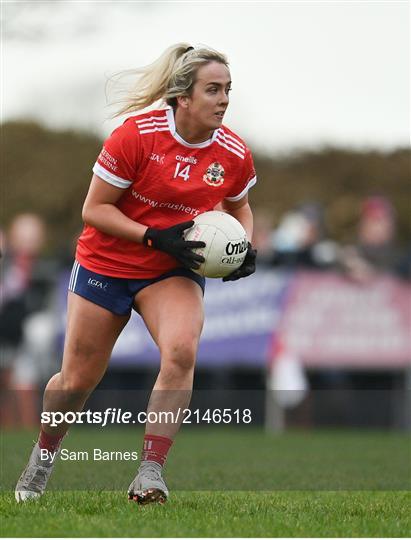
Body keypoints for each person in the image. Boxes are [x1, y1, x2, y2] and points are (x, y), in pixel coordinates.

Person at [15, 43, 257, 504]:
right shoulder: (136, 136)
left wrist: (244, 246)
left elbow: (240, 208)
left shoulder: (233, 151)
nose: (224, 99)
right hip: (107, 264)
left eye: (228, 89)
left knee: (182, 351)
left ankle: (150, 473)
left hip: (171, 270)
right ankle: (43, 457)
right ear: (183, 97)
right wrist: (153, 235)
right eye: (213, 90)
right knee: (76, 381)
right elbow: (94, 210)